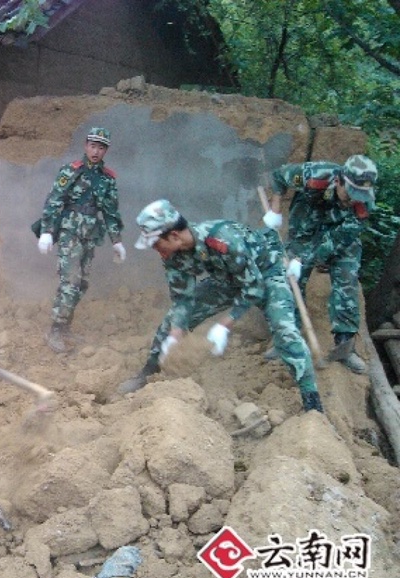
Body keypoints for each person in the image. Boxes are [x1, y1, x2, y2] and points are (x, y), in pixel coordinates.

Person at [117, 199, 323, 413]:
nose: (154, 249)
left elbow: (254, 287)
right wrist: (176, 332)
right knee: (170, 322)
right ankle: (148, 373)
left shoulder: (223, 239)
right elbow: (182, 298)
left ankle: (313, 404)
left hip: (266, 273)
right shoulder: (172, 255)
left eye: (155, 243)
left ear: (174, 235)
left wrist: (225, 324)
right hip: (226, 280)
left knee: (285, 331)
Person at [264, 154, 378, 374]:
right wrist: (275, 209)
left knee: (347, 280)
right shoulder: (314, 176)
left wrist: (305, 258)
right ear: (339, 181)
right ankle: (287, 339)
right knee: (290, 281)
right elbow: (279, 176)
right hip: (305, 228)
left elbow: (337, 240)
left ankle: (345, 347)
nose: (354, 200)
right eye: (350, 193)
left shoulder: (364, 204)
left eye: (360, 196)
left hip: (339, 236)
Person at [36, 127, 126, 353]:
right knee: (70, 281)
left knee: (82, 283)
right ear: (86, 146)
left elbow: (110, 211)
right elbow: (54, 200)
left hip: (90, 236)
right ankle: (55, 329)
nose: (96, 151)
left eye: (101, 147)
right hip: (70, 233)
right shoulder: (71, 170)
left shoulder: (108, 179)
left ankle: (65, 327)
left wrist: (117, 241)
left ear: (106, 150)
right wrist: (47, 231)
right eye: (93, 146)